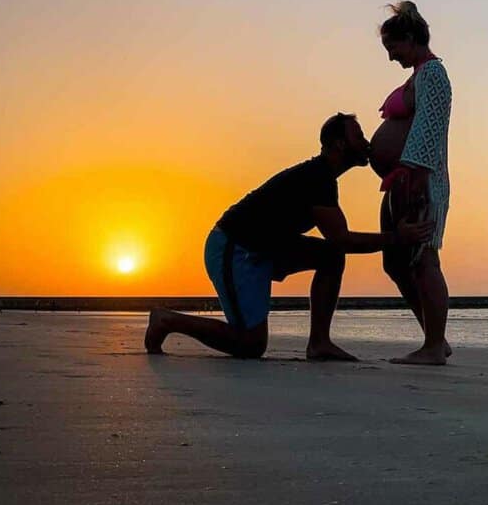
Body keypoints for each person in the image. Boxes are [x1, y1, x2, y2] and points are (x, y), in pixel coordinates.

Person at [144, 113, 434, 361]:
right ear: (339, 144)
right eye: (358, 135)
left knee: (329, 256)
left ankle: (319, 342)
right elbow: (342, 238)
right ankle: (167, 319)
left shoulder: (324, 179)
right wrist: (397, 238)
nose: (366, 142)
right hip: (234, 247)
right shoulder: (317, 177)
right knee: (250, 345)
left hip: (268, 248)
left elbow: (336, 244)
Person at [369, 1, 453, 365]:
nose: (391, 58)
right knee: (395, 263)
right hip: (400, 180)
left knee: (423, 261)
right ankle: (435, 337)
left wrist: (412, 177)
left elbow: (428, 130)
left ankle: (434, 345)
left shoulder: (433, 73)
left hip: (418, 180)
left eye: (393, 48)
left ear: (411, 38)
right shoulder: (418, 74)